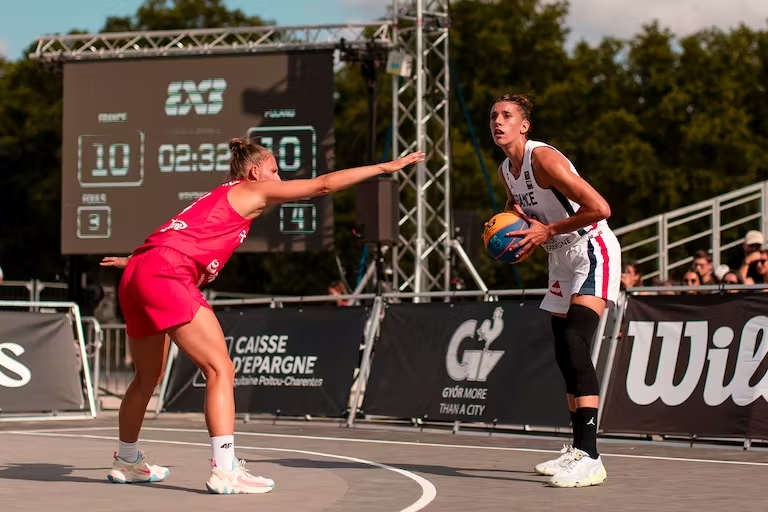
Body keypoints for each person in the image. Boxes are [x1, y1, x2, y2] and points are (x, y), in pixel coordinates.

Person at [99, 135, 424, 494]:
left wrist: (136, 263)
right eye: (275, 170)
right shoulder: (252, 191)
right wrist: (384, 167)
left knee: (147, 377)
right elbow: (323, 185)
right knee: (220, 368)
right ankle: (225, 470)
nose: (280, 179)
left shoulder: (216, 196)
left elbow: (179, 237)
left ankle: (127, 461)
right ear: (254, 172)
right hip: (165, 272)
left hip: (139, 269)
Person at [489, 94, 620, 488]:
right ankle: (577, 448)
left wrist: (547, 230)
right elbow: (519, 210)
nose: (498, 121)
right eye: (493, 115)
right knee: (564, 351)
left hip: (591, 249)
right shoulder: (505, 170)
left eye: (507, 115)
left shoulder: (542, 159)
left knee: (576, 341)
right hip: (558, 257)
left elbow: (600, 207)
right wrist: (514, 233)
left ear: (524, 125)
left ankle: (591, 455)